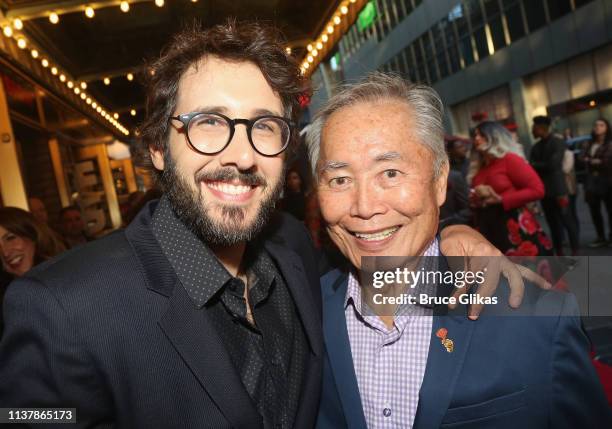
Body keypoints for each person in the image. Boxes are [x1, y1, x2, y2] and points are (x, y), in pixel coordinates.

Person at [0, 22, 549, 428]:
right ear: (157, 149)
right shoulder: (60, 308)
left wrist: (456, 235)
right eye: (209, 123)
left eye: (264, 126)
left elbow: (403, 274)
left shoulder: (294, 250)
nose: (240, 153)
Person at [306, 73, 611, 428]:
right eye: (340, 180)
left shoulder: (539, 318)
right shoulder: (302, 315)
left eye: (390, 173)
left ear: (439, 183)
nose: (363, 206)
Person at [468, 121, 552, 256]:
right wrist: (475, 200)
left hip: (514, 226)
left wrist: (501, 199)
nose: (476, 138)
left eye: (482, 135)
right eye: (475, 135)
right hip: (488, 228)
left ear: (496, 137)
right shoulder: (479, 167)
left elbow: (538, 189)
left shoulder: (509, 159)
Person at [0, 207, 65, 333]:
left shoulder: (65, 279)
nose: (5, 252)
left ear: (33, 235)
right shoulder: (8, 301)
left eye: (10, 238)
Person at [530, 115, 579, 255]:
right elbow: (533, 167)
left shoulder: (558, 142)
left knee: (567, 221)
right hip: (545, 192)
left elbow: (554, 164)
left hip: (559, 190)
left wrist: (536, 165)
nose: (532, 131)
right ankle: (559, 254)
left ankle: (575, 252)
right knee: (553, 224)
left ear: (541, 129)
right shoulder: (536, 147)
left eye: (534, 128)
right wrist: (540, 165)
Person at [581, 118, 612, 248]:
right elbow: (581, 158)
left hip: (607, 181)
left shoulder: (609, 143)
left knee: (610, 211)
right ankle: (601, 237)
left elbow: (606, 161)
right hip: (591, 182)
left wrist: (592, 161)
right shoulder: (589, 143)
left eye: (601, 125)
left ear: (606, 128)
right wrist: (593, 161)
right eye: (596, 125)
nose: (598, 127)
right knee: (594, 211)